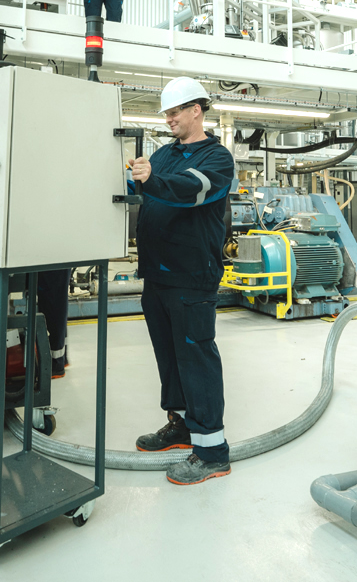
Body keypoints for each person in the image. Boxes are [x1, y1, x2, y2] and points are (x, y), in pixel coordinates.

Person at [128, 76, 235, 485]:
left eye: (175, 111)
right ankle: (182, 425)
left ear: (196, 110)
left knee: (196, 358)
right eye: (166, 113)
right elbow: (147, 188)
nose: (170, 118)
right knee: (169, 357)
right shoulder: (165, 153)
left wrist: (151, 178)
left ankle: (212, 452)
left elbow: (192, 190)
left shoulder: (217, 157)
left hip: (192, 278)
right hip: (157, 275)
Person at [35, 269, 70, 378]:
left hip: (52, 265)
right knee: (56, 303)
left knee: (52, 306)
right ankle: (61, 358)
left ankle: (55, 363)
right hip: (56, 262)